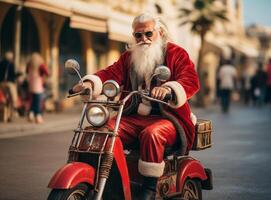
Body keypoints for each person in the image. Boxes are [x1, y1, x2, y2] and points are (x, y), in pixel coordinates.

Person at [73, 13, 199, 199]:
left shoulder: (176, 53)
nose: (143, 39)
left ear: (160, 32)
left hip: (168, 118)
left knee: (152, 134)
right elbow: (111, 72)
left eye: (148, 33)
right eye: (138, 35)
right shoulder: (129, 57)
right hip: (134, 117)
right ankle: (108, 181)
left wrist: (169, 89)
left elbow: (190, 79)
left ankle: (149, 188)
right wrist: (91, 83)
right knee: (103, 130)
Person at [26, 53, 49, 123]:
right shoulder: (40, 65)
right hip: (38, 85)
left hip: (31, 85)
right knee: (38, 101)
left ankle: (31, 114)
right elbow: (47, 72)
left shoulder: (29, 65)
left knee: (33, 101)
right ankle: (38, 117)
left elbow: (26, 72)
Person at [0, 51, 18, 121]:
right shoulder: (11, 64)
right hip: (9, 84)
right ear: (10, 57)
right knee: (12, 100)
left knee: (4, 100)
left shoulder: (1, 63)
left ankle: (3, 116)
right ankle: (10, 116)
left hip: (1, 83)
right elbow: (13, 75)